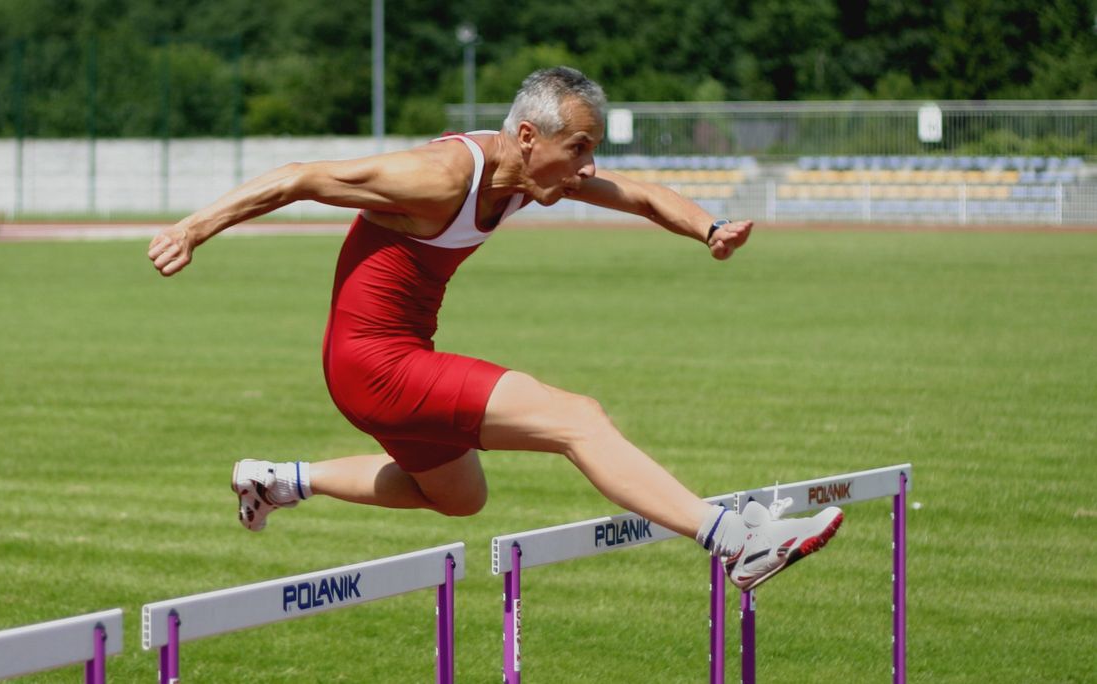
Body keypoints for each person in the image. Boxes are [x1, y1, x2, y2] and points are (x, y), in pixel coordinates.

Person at [147, 66, 841, 591]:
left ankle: (283, 480)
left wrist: (709, 229)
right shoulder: (440, 177)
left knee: (459, 498)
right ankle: (732, 542)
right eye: (579, 150)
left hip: (385, 364)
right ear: (529, 137)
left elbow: (640, 194)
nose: (588, 169)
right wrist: (193, 228)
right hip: (374, 363)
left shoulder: (535, 175)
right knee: (577, 419)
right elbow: (300, 177)